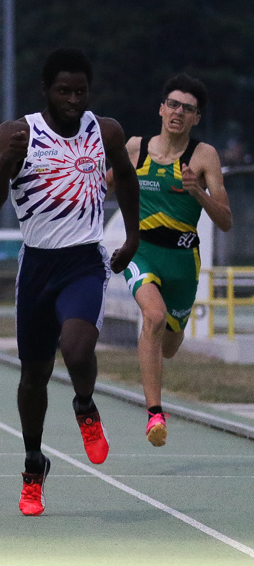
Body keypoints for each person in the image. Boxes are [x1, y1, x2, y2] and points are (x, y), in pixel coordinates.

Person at [0, 48, 140, 517]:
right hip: (37, 266)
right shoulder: (17, 134)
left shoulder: (105, 131)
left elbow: (126, 178)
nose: (73, 100)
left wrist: (133, 237)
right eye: (63, 91)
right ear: (45, 90)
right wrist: (5, 163)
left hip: (83, 262)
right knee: (33, 377)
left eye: (80, 91)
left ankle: (85, 406)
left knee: (76, 349)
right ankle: (34, 465)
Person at [113, 75, 230, 446]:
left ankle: (159, 359)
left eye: (188, 108)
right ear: (162, 109)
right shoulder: (136, 148)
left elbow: (226, 221)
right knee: (153, 316)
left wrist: (198, 192)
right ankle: (154, 414)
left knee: (169, 344)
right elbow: (103, 184)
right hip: (141, 250)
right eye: (174, 105)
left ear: (196, 117)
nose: (179, 112)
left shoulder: (204, 156)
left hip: (182, 261)